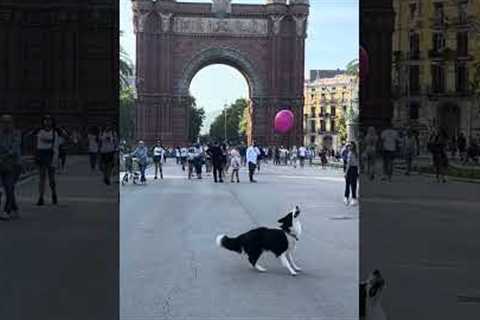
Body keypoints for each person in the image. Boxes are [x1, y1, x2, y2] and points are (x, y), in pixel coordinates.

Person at [33, 114, 60, 205]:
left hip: (50, 156)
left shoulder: (54, 133)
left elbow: (56, 147)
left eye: (49, 120)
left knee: (51, 179)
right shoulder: (39, 131)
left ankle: (54, 193)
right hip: (41, 155)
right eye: (45, 120)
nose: (47, 122)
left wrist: (55, 159)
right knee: (41, 178)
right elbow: (36, 144)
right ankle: (41, 197)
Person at [0, 115, 22, 220]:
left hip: (14, 165)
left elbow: (14, 149)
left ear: (12, 123)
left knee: (9, 187)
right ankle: (15, 208)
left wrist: (4, 154)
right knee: (7, 188)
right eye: (4, 122)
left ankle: (7, 210)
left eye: (8, 122)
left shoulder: (16, 134)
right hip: (1, 164)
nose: (6, 124)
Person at [344, 142, 359, 206]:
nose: (349, 147)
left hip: (350, 169)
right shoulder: (357, 154)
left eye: (350, 146)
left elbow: (348, 164)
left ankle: (346, 197)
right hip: (355, 169)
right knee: (354, 184)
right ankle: (354, 198)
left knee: (348, 184)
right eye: (349, 146)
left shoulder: (350, 153)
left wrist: (346, 173)